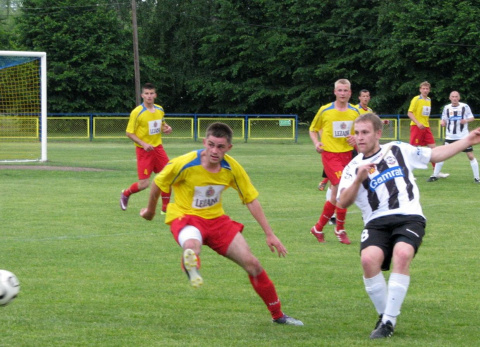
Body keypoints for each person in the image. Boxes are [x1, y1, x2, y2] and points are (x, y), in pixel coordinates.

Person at [336, 113, 480, 339]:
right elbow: (342, 202)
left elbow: (434, 154)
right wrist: (359, 178)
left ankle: (388, 321)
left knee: (403, 252)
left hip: (409, 215)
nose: (360, 137)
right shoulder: (353, 167)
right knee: (368, 260)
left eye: (365, 132)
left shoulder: (397, 149)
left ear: (378, 133)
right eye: (357, 133)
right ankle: (384, 315)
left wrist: (466, 141)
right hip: (376, 221)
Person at [139, 122, 303, 326]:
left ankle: (278, 316)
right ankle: (192, 266)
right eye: (211, 145)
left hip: (217, 222)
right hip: (186, 217)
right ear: (204, 143)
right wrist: (150, 211)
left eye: (220, 147)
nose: (215, 151)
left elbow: (250, 199)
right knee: (192, 245)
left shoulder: (232, 168)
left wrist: (269, 233)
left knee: (253, 264)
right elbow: (158, 183)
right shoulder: (185, 163)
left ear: (229, 148)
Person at [308, 79, 361, 244]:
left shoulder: (355, 112)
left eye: (346, 90)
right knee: (343, 189)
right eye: (340, 90)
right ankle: (340, 229)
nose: (343, 93)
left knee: (334, 195)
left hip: (348, 156)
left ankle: (317, 228)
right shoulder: (325, 110)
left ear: (350, 93)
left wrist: (356, 139)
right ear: (335, 92)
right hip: (330, 155)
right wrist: (317, 143)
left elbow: (361, 133)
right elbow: (312, 129)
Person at [120, 83, 172, 213]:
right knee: (144, 184)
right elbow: (129, 133)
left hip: (158, 148)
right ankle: (126, 194)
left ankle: (165, 209)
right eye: (146, 94)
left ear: (155, 95)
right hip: (144, 151)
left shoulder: (159, 109)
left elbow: (161, 124)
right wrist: (143, 143)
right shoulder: (137, 112)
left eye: (151, 93)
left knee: (168, 176)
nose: (149, 96)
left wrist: (167, 128)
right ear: (142, 95)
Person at [428, 91, 480, 183]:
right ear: (450, 98)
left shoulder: (465, 106)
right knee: (441, 156)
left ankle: (477, 178)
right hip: (450, 136)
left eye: (456, 96)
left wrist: (466, 120)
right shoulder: (446, 108)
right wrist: (442, 123)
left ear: (459, 97)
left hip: (463, 137)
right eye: (453, 96)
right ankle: (434, 175)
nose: (455, 98)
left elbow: (472, 118)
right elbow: (443, 119)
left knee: (470, 156)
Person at [407, 81, 449, 179]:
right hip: (416, 127)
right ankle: (408, 172)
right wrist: (418, 123)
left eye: (427, 89)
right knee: (413, 150)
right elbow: (409, 113)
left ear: (429, 90)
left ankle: (436, 171)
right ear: (420, 89)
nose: (425, 90)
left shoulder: (428, 100)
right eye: (423, 88)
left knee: (433, 149)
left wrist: (426, 124)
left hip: (426, 128)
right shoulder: (416, 99)